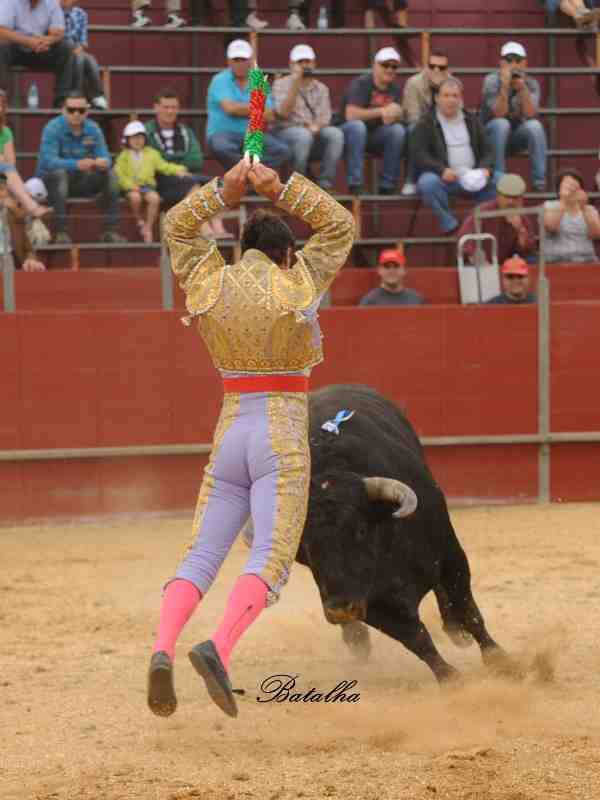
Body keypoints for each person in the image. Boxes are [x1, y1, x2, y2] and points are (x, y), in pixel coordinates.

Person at [146, 161, 355, 719]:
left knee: (203, 553)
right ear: (288, 252)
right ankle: (218, 647)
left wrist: (224, 189)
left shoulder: (210, 280)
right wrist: (279, 188)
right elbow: (339, 227)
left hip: (231, 428)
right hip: (281, 433)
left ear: (243, 251)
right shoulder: (300, 278)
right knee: (269, 555)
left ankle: (162, 647)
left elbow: (176, 226)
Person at [36, 91, 126, 244]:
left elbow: (105, 157)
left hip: (83, 179)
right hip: (53, 181)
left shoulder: (93, 128)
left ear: (87, 111)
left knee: (110, 175)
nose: (76, 114)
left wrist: (103, 163)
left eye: (81, 110)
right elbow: (48, 161)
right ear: (63, 110)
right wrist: (76, 164)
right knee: (59, 174)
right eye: (71, 110)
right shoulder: (52, 128)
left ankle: (110, 231)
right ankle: (60, 232)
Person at [413, 77, 496, 234]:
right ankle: (451, 225)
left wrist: (486, 169)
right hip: (446, 179)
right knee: (427, 183)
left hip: (473, 176)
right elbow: (419, 154)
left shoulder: (472, 120)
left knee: (500, 181)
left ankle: (476, 224)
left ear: (461, 99)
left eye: (455, 96)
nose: (451, 100)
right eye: (446, 95)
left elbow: (488, 151)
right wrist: (441, 170)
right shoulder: (426, 122)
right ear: (437, 98)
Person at [146, 87, 231, 238]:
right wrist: (175, 166)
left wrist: (177, 164)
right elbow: (153, 160)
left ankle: (217, 225)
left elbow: (195, 159)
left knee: (218, 184)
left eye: (173, 107)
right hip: (160, 181)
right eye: (166, 107)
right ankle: (206, 230)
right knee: (192, 185)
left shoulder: (185, 131)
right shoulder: (147, 131)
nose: (170, 111)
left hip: (187, 176)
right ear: (156, 108)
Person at [206, 39, 291, 172]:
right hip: (223, 133)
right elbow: (230, 109)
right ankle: (250, 176)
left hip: (252, 134)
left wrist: (240, 108)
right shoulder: (220, 79)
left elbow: (269, 114)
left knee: (282, 151)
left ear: (250, 61)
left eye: (243, 59)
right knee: (222, 146)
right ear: (229, 61)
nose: (240, 63)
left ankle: (245, 177)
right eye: (236, 59)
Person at [272, 44, 343, 191]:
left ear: (314, 63)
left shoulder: (322, 88)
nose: (305, 66)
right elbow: (283, 114)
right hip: (286, 132)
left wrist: (316, 127)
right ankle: (298, 186)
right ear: (291, 65)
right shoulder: (280, 84)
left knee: (336, 134)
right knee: (303, 135)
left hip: (314, 131)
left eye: (308, 62)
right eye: (300, 62)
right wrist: (295, 84)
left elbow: (325, 117)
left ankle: (325, 183)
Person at [480, 41, 548, 192]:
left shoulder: (531, 84)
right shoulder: (491, 81)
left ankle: (539, 181)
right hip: (491, 137)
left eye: (518, 60)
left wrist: (522, 89)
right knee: (501, 123)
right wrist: (504, 86)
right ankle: (500, 179)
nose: (514, 64)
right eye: (509, 60)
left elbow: (531, 114)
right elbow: (499, 113)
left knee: (535, 126)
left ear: (525, 63)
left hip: (516, 136)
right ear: (501, 62)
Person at [338, 46, 406, 195]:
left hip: (375, 135)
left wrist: (397, 112)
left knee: (397, 131)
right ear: (375, 65)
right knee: (357, 127)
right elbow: (351, 115)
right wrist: (382, 111)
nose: (389, 70)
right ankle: (355, 184)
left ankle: (387, 185)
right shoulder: (361, 83)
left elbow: (396, 115)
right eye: (385, 65)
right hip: (347, 134)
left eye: (394, 66)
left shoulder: (395, 89)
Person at [115, 120, 187, 243]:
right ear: (127, 140)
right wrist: (130, 186)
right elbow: (120, 175)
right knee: (135, 198)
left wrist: (179, 169)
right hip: (131, 188)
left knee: (154, 198)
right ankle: (139, 220)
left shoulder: (152, 154)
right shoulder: (123, 156)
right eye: (133, 138)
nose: (137, 141)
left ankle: (148, 227)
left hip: (147, 186)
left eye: (140, 137)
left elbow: (164, 166)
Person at [0, 0, 74, 108]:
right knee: (1, 46)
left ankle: (61, 101)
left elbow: (58, 32)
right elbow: (2, 31)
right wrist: (29, 41)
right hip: (16, 47)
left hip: (41, 48)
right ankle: (1, 98)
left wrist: (46, 40)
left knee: (65, 47)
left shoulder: (52, 3)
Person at [401, 49, 451, 196]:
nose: (436, 70)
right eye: (432, 66)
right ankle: (411, 180)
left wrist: (441, 88)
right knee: (414, 130)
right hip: (422, 127)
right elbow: (413, 116)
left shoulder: (452, 85)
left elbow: (456, 115)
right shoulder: (414, 83)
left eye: (441, 68)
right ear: (426, 67)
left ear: (447, 70)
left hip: (444, 127)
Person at [457, 173, 537, 265]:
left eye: (515, 198)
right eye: (507, 197)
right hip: (480, 266)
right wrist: (479, 260)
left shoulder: (523, 219)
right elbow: (464, 239)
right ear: (498, 195)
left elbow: (528, 250)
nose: (510, 202)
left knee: (531, 260)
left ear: (521, 199)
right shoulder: (482, 212)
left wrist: (520, 230)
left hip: (509, 270)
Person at [0, 89, 50, 218]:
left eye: (0, 105)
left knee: (32, 187)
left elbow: (10, 163)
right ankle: (30, 206)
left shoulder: (5, 132)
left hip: (3, 178)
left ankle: (24, 206)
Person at [543, 168, 600, 263]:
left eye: (574, 186)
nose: (571, 189)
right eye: (567, 185)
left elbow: (596, 234)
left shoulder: (589, 209)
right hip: (555, 261)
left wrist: (584, 208)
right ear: (559, 189)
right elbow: (551, 227)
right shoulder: (549, 205)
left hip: (586, 261)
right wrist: (564, 201)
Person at [60, 0, 108, 110]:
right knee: (79, 59)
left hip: (77, 49)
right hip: (60, 51)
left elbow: (83, 40)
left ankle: (98, 96)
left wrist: (79, 48)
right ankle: (77, 97)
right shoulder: (53, 12)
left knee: (91, 59)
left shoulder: (81, 14)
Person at [0, 175, 46, 271]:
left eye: (1, 189)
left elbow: (28, 249)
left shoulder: (14, 217)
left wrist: (31, 260)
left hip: (6, 262)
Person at [359, 248, 424, 306]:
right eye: (387, 267)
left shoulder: (416, 299)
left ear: (404, 270)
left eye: (396, 266)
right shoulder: (369, 301)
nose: (391, 271)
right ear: (379, 271)